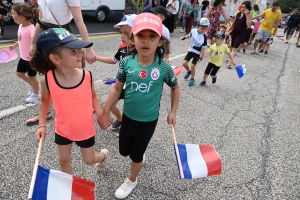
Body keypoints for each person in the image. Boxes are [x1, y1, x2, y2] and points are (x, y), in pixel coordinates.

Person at [98, 13, 180, 199]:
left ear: (160, 41)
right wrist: (104, 112)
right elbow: (117, 88)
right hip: (128, 117)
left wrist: (173, 111)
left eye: (152, 36)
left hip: (148, 121)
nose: (146, 41)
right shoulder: (127, 62)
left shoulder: (163, 68)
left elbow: (175, 88)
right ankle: (139, 155)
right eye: (140, 36)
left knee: (135, 155)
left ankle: (132, 179)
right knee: (123, 150)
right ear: (133, 38)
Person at [33, 28, 113, 175]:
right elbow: (44, 102)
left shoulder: (87, 76)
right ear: (55, 59)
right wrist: (42, 125)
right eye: (73, 51)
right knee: (63, 161)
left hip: (85, 128)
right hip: (63, 129)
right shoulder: (47, 80)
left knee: (89, 160)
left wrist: (101, 115)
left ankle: (103, 156)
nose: (80, 54)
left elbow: (93, 96)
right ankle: (68, 191)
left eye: (79, 49)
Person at [26, 0, 97, 125]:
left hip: (63, 33)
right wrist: (33, 43)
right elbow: (41, 21)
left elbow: (79, 21)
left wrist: (89, 49)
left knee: (75, 73)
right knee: (49, 76)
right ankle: (45, 112)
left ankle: (87, 103)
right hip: (47, 36)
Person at [96, 14, 137, 136]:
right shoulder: (122, 48)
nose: (122, 37)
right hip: (121, 84)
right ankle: (121, 120)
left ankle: (130, 130)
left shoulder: (143, 51)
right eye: (121, 33)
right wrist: (96, 57)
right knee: (111, 105)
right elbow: (113, 60)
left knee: (131, 110)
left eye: (126, 33)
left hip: (135, 87)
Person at [9, 3, 40, 103]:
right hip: (23, 57)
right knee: (20, 73)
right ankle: (34, 85)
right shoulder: (21, 26)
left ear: (21, 17)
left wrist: (35, 53)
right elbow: (21, 39)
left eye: (13, 13)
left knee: (32, 76)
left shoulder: (31, 29)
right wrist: (15, 45)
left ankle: (36, 94)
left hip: (31, 59)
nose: (11, 15)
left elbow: (36, 42)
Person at [181, 18, 209, 86]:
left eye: (205, 29)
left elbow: (203, 48)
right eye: (202, 28)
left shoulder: (204, 37)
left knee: (193, 66)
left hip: (197, 53)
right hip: (191, 50)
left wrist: (201, 57)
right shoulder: (193, 31)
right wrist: (184, 37)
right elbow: (189, 35)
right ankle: (189, 71)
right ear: (197, 26)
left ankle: (192, 78)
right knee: (184, 63)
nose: (203, 30)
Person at [227, 1, 251, 68]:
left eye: (245, 7)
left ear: (248, 8)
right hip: (234, 32)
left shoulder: (248, 15)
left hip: (241, 34)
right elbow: (234, 23)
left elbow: (248, 25)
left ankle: (229, 62)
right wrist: (229, 29)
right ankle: (230, 59)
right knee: (232, 47)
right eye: (242, 7)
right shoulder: (238, 13)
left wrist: (246, 15)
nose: (243, 8)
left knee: (234, 48)